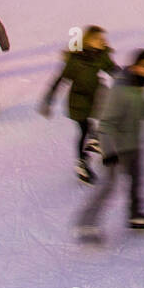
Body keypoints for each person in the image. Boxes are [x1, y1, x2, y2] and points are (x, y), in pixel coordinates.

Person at [74, 50, 144, 241]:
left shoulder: (139, 87)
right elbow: (106, 123)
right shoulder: (119, 90)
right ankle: (87, 223)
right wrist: (109, 152)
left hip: (134, 143)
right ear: (135, 67)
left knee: (137, 181)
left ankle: (136, 215)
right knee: (109, 186)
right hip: (117, 148)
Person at [40, 26, 119, 184]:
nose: (102, 42)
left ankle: (100, 145)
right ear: (88, 41)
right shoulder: (75, 60)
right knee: (84, 129)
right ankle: (82, 163)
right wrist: (49, 99)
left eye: (103, 39)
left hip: (96, 96)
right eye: (98, 39)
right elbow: (61, 80)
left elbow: (112, 70)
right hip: (78, 101)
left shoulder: (101, 56)